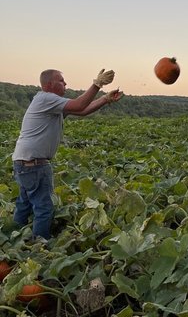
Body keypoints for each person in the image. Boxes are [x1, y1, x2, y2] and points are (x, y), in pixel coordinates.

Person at [12, 69, 123, 240]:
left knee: (24, 203)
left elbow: (82, 111)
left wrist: (105, 99)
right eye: (61, 81)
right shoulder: (46, 98)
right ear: (49, 85)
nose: (65, 84)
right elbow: (79, 104)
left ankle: (13, 238)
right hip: (34, 164)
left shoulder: (49, 103)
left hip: (24, 162)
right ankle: (39, 246)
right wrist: (97, 84)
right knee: (44, 207)